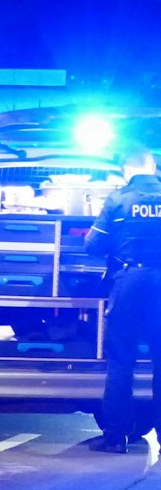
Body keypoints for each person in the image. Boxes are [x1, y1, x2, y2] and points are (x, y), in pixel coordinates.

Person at [83, 144, 161, 453]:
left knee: (121, 360)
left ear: (126, 170)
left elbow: (93, 245)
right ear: (152, 166)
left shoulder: (118, 199)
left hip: (129, 283)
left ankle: (116, 437)